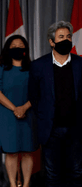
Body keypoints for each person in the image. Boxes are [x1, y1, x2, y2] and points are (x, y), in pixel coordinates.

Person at [28, 21, 82, 187]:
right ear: (51, 42)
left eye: (68, 36)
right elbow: (34, 97)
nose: (66, 40)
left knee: (76, 173)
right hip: (50, 130)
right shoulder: (38, 66)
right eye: (61, 37)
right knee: (52, 174)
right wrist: (45, 116)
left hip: (75, 128)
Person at [0, 35, 38, 187]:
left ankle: (26, 184)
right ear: (8, 49)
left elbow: (38, 92)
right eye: (13, 45)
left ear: (25, 49)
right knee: (12, 152)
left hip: (29, 114)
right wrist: (15, 108)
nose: (17, 47)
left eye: (20, 45)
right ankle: (12, 184)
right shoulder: (2, 68)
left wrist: (24, 107)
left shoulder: (33, 68)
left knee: (28, 151)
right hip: (7, 115)